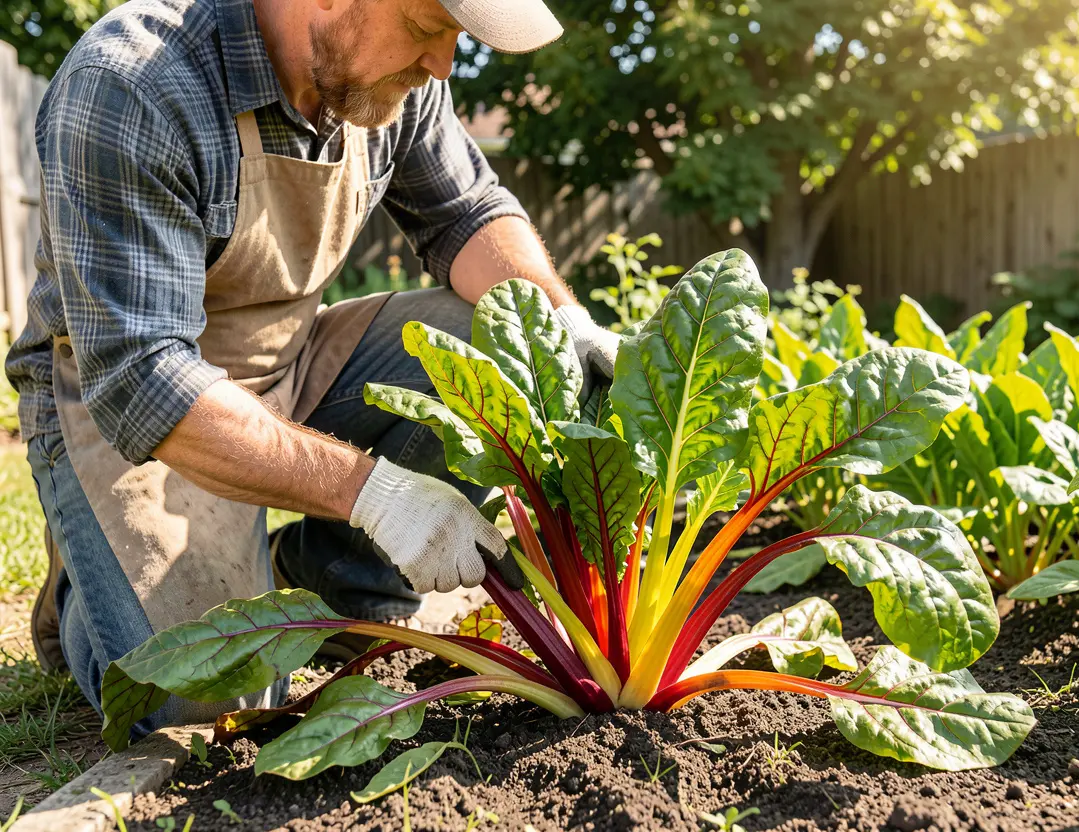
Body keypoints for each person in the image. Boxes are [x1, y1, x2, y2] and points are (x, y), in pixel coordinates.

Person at [4, 0, 620, 733]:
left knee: (499, 342)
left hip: (289, 361)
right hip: (132, 413)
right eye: (428, 29)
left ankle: (333, 581)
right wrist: (378, 497)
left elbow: (466, 214)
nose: (442, 65)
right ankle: (85, 585)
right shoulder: (135, 84)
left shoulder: (391, 77)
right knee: (205, 697)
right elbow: (145, 381)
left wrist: (567, 326)